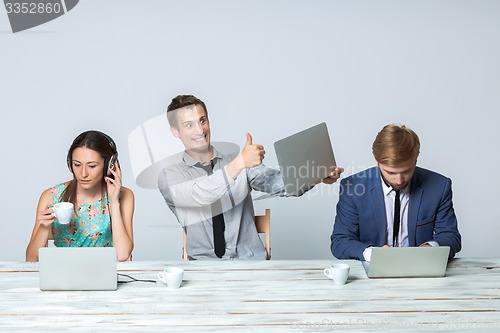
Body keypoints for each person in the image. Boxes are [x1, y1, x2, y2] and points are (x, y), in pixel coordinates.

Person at [158, 94, 343, 260]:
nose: (200, 131)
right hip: (202, 268)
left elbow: (279, 183)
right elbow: (199, 194)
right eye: (189, 125)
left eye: (202, 121)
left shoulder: (236, 162)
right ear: (175, 131)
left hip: (250, 263)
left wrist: (315, 176)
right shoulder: (170, 176)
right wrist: (240, 163)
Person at [331, 124, 461, 261]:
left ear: (416, 159)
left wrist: (430, 248)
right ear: (377, 161)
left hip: (421, 270)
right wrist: (373, 254)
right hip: (371, 272)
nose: (399, 180)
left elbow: (451, 237)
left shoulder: (439, 186)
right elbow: (340, 241)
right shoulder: (352, 187)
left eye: (406, 171)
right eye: (391, 172)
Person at [26, 130, 135, 262]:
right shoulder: (51, 196)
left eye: (92, 166)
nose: (83, 174)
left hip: (104, 274)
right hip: (63, 274)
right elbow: (31, 260)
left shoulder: (124, 196)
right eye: (77, 165)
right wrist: (43, 228)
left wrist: (114, 201)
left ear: (108, 165)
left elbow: (123, 255)